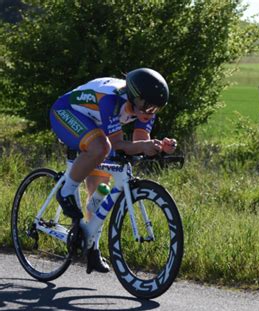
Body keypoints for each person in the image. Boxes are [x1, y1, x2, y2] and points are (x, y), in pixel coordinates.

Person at [49, 68, 177, 273]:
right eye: (148, 106)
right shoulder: (111, 99)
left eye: (156, 109)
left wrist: (157, 146)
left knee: (98, 197)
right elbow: (117, 144)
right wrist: (142, 146)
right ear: (135, 97)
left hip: (95, 123)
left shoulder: (145, 107)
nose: (150, 112)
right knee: (102, 147)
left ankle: (91, 248)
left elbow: (139, 142)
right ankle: (65, 192)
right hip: (66, 112)